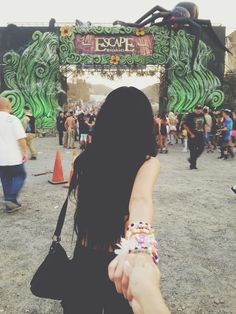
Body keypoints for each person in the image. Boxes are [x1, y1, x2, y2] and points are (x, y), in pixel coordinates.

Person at [60, 86, 159, 314]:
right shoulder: (147, 163)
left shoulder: (83, 160)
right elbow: (141, 201)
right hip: (122, 260)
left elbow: (85, 207)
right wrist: (141, 250)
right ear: (143, 123)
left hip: (85, 255)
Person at [0, 97, 28, 212]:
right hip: (13, 156)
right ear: (8, 107)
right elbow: (21, 138)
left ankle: (10, 204)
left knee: (5, 179)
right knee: (20, 175)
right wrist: (25, 152)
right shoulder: (12, 119)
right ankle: (11, 198)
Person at [184, 105, 206, 169]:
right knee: (193, 150)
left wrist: (205, 133)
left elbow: (204, 124)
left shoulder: (202, 115)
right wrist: (191, 133)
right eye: (197, 109)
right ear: (194, 109)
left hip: (200, 134)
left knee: (201, 148)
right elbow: (185, 125)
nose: (198, 110)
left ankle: (191, 159)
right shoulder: (190, 115)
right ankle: (193, 165)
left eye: (200, 109)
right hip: (192, 135)